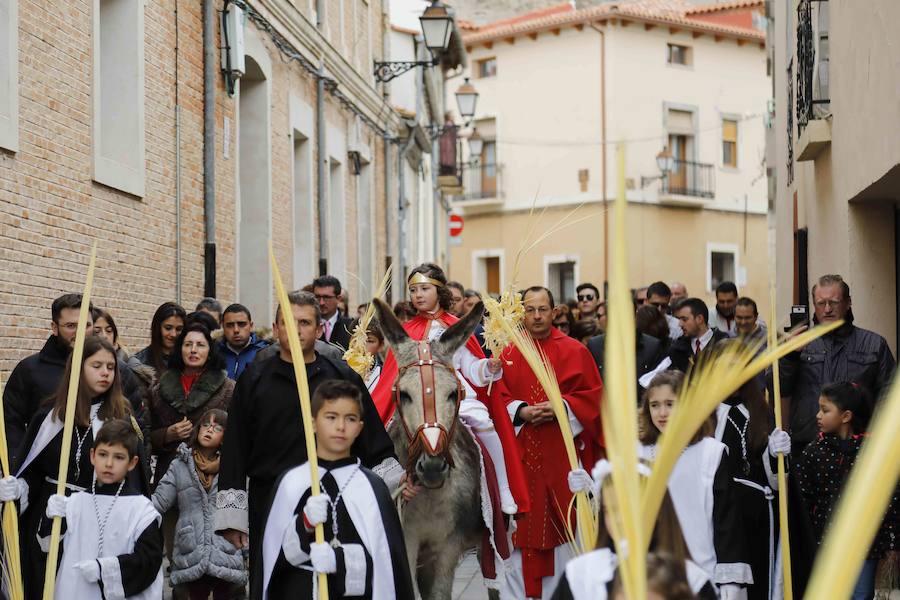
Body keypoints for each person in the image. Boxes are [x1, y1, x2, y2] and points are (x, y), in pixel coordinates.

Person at [215, 291, 398, 600]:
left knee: (335, 583)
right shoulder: (254, 380)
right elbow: (235, 447)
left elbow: (372, 439)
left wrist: (392, 487)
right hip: (272, 502)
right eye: (287, 322)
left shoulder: (340, 376)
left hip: (333, 500)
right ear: (275, 329)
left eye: (304, 322)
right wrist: (234, 516)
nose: (296, 330)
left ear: (318, 329)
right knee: (279, 585)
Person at [369, 264, 526, 516]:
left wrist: (487, 366)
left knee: (484, 424)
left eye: (424, 288)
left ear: (439, 291)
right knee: (393, 430)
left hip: (452, 394)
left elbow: (469, 367)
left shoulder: (454, 325)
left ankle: (504, 487)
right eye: (412, 290)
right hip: (417, 397)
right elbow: (394, 374)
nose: (417, 295)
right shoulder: (406, 331)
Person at [9, 336, 150, 599]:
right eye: (97, 365)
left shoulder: (120, 420)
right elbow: (33, 473)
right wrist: (19, 488)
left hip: (98, 523)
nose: (105, 372)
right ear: (77, 368)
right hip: (50, 522)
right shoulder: (50, 416)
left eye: (110, 367)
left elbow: (133, 483)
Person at [494, 286, 602, 599]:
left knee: (565, 542)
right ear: (521, 313)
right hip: (520, 458)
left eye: (543, 309)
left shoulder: (574, 351)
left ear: (554, 312)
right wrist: (521, 411)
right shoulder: (508, 352)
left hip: (560, 459)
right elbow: (494, 399)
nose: (537, 316)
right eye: (530, 309)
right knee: (518, 538)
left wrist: (562, 407)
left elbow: (593, 397)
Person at [261, 380, 414, 599]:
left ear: (360, 427)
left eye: (350, 419)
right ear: (313, 423)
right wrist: (303, 525)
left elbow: (387, 569)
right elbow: (272, 564)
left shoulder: (371, 488)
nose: (340, 427)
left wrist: (340, 561)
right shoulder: (291, 484)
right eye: (331, 417)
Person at [637, 371, 751, 598]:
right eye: (655, 405)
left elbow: (727, 521)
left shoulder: (711, 453)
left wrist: (729, 580)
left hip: (701, 571)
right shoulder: (638, 453)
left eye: (670, 404)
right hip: (650, 575)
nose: (662, 413)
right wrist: (588, 490)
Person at [33, 420, 163, 599]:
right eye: (103, 454)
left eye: (118, 457)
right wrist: (51, 518)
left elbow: (149, 561)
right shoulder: (75, 503)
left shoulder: (141, 510)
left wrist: (105, 569)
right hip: (75, 590)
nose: (109, 463)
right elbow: (48, 548)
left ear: (132, 463)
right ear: (93, 456)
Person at [553, 466, 716, 600]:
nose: (617, 520)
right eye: (609, 511)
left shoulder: (691, 580)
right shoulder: (581, 575)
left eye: (627, 509)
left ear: (657, 511)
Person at [797, 382, 897, 600]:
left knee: (861, 595)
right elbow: (803, 498)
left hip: (864, 545)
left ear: (846, 416)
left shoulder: (873, 453)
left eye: (825, 410)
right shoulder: (813, 452)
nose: (817, 415)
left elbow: (889, 500)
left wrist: (892, 543)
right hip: (825, 545)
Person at [777, 274, 895, 452]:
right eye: (820, 303)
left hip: (859, 449)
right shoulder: (799, 343)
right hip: (807, 447)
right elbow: (779, 388)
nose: (827, 309)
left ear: (848, 303)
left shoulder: (875, 344)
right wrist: (789, 356)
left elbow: (890, 398)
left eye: (833, 302)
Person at [152, 409, 247, 599]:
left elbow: (241, 509)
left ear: (225, 437)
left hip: (225, 550)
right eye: (205, 425)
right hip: (190, 549)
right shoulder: (180, 464)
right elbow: (160, 500)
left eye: (217, 427)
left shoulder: (233, 468)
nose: (209, 430)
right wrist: (135, 513)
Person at [714, 375, 792, 600]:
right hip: (723, 513)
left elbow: (778, 482)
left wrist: (777, 453)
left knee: (759, 577)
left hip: (759, 514)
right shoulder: (705, 414)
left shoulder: (761, 411)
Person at [3, 293, 94, 465]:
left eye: (86, 325)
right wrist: (16, 469)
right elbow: (10, 423)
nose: (80, 332)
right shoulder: (29, 370)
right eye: (71, 325)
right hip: (41, 477)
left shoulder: (111, 370)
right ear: (54, 327)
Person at [148, 322, 233, 486]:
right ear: (180, 350)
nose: (193, 350)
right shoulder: (158, 389)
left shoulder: (228, 389)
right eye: (188, 344)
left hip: (210, 477)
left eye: (200, 345)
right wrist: (167, 434)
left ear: (210, 352)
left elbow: (236, 436)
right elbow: (145, 434)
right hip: (168, 478)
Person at [587, 317, 662, 404]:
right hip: (605, 410)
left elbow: (655, 387)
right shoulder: (594, 345)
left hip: (640, 410)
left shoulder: (652, 346)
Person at [668, 298, 730, 373]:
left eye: (684, 319)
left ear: (700, 319)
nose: (680, 324)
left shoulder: (725, 344)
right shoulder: (677, 349)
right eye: (679, 320)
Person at [218, 303, 271, 380]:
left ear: (251, 326)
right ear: (223, 327)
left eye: (241, 324)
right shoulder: (214, 354)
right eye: (230, 325)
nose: (236, 330)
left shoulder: (265, 353)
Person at [130, 301, 187, 373]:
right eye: (168, 328)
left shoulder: (188, 359)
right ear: (157, 328)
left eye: (179, 329)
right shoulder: (141, 362)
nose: (173, 334)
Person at [313, 275, 355, 350]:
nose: (321, 302)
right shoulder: (307, 326)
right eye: (317, 297)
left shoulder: (351, 327)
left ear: (338, 299)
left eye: (326, 297)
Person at [363, 324, 386, 391]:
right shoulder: (338, 369)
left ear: (381, 345)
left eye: (369, 341)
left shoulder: (383, 375)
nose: (361, 345)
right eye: (355, 340)